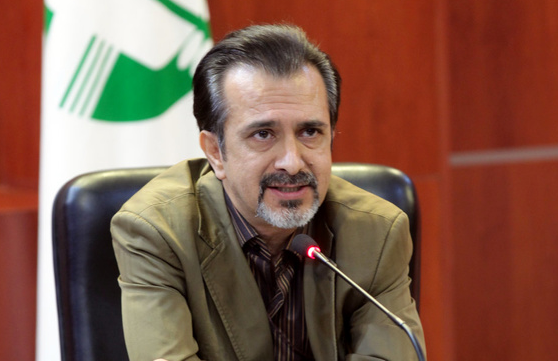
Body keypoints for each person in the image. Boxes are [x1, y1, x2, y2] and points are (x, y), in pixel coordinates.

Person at [111, 24, 425, 361]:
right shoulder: (157, 232)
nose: (292, 162)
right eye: (263, 134)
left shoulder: (377, 232)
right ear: (216, 152)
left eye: (310, 132)